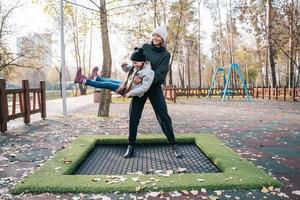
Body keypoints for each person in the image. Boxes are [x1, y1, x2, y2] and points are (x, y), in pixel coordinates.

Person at [123, 26, 183, 159]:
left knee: (163, 116)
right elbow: (136, 63)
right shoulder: (145, 47)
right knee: (133, 116)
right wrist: (135, 76)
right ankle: (131, 146)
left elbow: (160, 74)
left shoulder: (165, 55)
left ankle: (173, 145)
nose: (155, 38)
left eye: (158, 36)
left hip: (154, 88)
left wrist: (144, 80)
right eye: (154, 35)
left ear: (163, 39)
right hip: (139, 88)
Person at [74, 47, 154, 98]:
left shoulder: (148, 73)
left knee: (107, 84)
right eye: (133, 62)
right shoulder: (138, 65)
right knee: (109, 80)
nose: (134, 65)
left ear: (143, 61)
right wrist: (124, 66)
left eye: (135, 63)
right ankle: (95, 77)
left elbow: (144, 88)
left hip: (128, 90)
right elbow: (127, 69)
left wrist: (131, 93)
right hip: (127, 84)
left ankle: (82, 80)